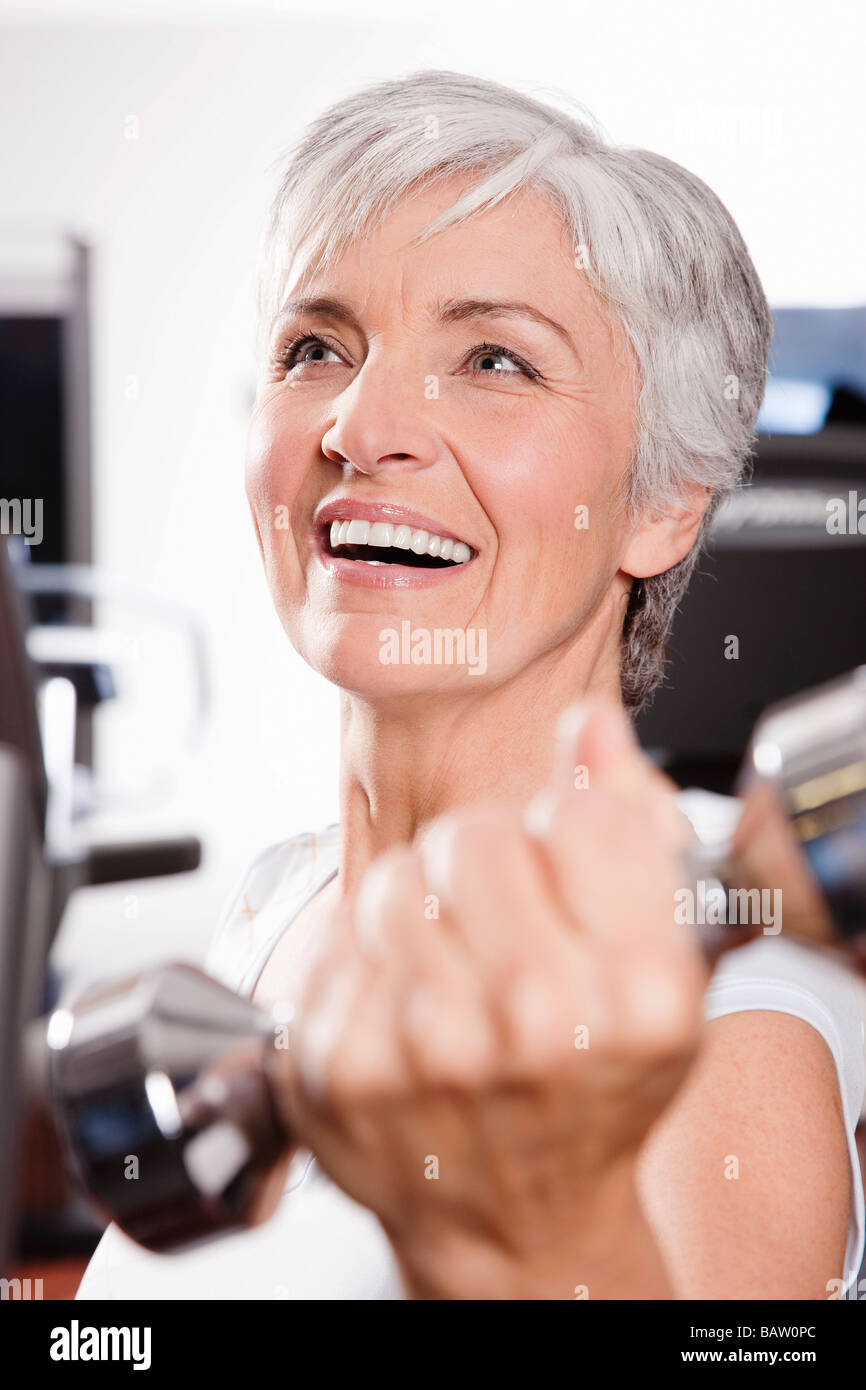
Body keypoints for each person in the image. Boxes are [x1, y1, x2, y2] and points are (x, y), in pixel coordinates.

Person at [77, 69, 865, 1300]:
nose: (359, 421)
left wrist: (524, 1240)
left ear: (661, 501)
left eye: (493, 358)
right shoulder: (277, 903)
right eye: (315, 346)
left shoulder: (718, 994)